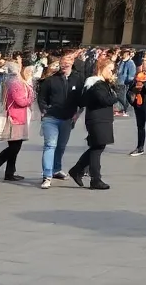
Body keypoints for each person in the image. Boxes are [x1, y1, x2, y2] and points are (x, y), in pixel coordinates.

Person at [36, 52, 85, 189]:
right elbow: (42, 98)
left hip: (68, 118)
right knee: (50, 145)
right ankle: (47, 175)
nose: (65, 64)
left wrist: (78, 113)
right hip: (51, 118)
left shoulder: (78, 79)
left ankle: (56, 169)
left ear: (72, 63)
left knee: (61, 146)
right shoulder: (51, 79)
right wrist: (44, 110)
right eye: (63, 62)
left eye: (68, 61)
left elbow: (81, 99)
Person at [68, 58, 119, 190]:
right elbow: (104, 100)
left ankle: (77, 169)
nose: (112, 72)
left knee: (98, 147)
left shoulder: (103, 83)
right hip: (97, 119)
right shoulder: (95, 83)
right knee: (97, 148)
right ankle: (95, 179)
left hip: (102, 119)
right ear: (102, 68)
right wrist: (115, 96)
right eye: (110, 69)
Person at [0, 64, 36, 182]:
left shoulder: (13, 81)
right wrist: (31, 98)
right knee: (14, 147)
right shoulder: (15, 83)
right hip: (15, 117)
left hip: (18, 116)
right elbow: (21, 101)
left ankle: (9, 172)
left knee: (15, 146)